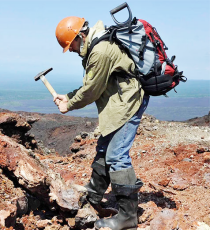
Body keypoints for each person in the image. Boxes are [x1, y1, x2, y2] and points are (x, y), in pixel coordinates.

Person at [53, 16, 150, 230]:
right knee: (104, 148)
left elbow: (91, 91)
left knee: (117, 156)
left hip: (128, 103)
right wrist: (68, 96)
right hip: (117, 102)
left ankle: (127, 217)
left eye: (71, 45)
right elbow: (93, 84)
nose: (70, 50)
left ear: (80, 36)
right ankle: (94, 195)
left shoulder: (100, 51)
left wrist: (68, 105)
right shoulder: (96, 47)